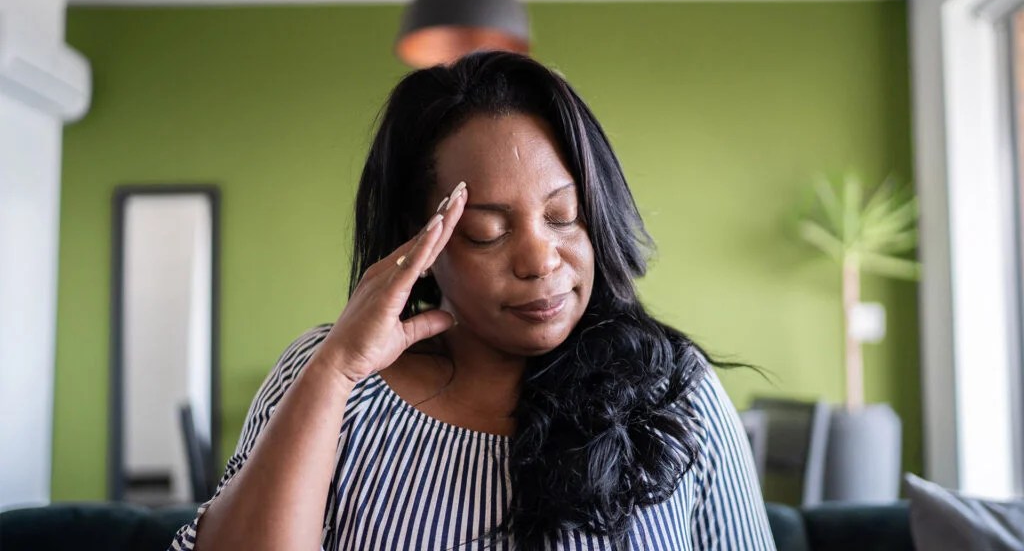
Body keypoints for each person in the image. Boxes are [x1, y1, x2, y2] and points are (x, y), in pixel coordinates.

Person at [170, 51, 775, 551]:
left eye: (564, 218)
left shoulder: (671, 389)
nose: (540, 259)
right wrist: (334, 370)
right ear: (421, 242)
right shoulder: (331, 376)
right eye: (488, 231)